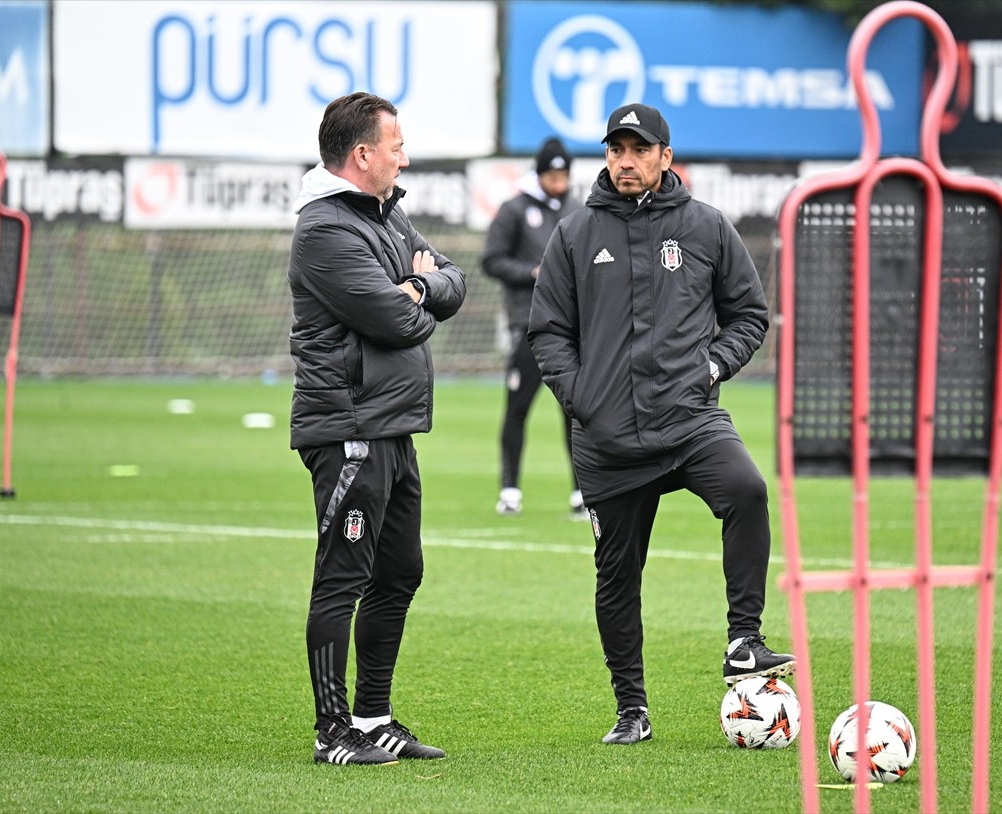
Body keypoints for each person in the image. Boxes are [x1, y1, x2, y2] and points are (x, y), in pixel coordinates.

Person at [528, 103, 795, 745]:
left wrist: (711, 367)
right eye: (616, 149)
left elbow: (750, 316)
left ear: (665, 158)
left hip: (689, 420)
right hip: (607, 441)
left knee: (749, 492)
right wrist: (583, 398)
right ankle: (632, 710)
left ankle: (743, 641)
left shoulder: (705, 227)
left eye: (639, 149)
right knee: (617, 575)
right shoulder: (574, 233)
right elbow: (548, 332)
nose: (626, 160)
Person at [287, 92, 466, 765]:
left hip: (393, 426)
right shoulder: (325, 231)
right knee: (343, 576)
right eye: (396, 146)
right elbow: (398, 323)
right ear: (362, 155)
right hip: (349, 429)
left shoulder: (387, 214)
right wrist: (418, 295)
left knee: (400, 572)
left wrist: (418, 287)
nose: (405, 156)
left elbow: (452, 281)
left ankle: (373, 717)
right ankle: (332, 731)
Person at [481, 137, 583, 519]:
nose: (559, 181)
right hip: (528, 324)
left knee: (576, 410)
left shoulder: (577, 210)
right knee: (518, 408)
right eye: (552, 174)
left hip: (572, 328)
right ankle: (510, 490)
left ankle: (581, 492)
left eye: (563, 174)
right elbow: (491, 259)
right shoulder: (514, 210)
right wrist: (532, 273)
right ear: (539, 174)